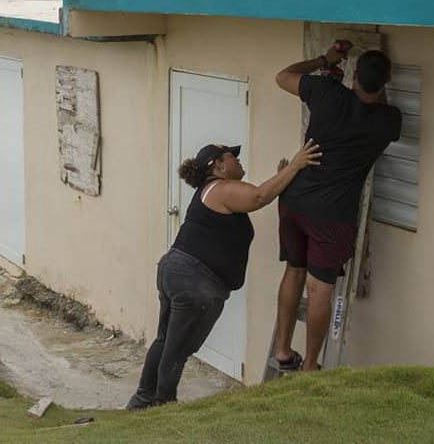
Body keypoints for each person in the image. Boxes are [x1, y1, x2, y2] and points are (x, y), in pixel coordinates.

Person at [126, 137, 322, 410]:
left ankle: (142, 401)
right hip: (194, 280)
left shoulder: (214, 190)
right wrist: (296, 166)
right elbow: (259, 196)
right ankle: (162, 405)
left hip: (178, 271)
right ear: (217, 166)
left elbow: (258, 194)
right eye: (231, 156)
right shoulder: (220, 188)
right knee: (177, 348)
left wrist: (282, 178)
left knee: (166, 340)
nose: (237, 159)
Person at [271, 44, 402, 372]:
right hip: (331, 217)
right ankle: (310, 366)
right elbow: (377, 106)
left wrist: (325, 60)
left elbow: (283, 76)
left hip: (294, 200)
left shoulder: (326, 92)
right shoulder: (387, 121)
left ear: (354, 75)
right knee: (319, 290)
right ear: (386, 82)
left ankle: (284, 350)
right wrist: (374, 88)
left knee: (293, 272)